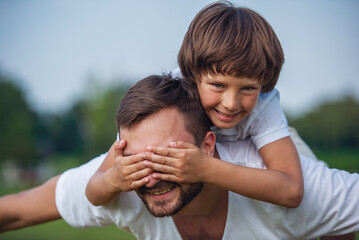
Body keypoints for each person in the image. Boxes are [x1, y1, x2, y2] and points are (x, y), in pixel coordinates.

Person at [1, 75, 358, 240]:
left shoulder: (277, 182)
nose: (151, 175)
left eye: (165, 157)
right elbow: (15, 211)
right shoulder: (122, 179)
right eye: (140, 159)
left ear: (206, 146)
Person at [86, 1, 305, 209]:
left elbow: (292, 190)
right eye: (218, 85)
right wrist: (113, 180)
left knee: (321, 196)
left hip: (279, 137)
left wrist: (205, 168)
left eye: (248, 88)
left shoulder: (265, 106)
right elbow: (93, 189)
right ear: (192, 75)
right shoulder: (171, 99)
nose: (230, 103)